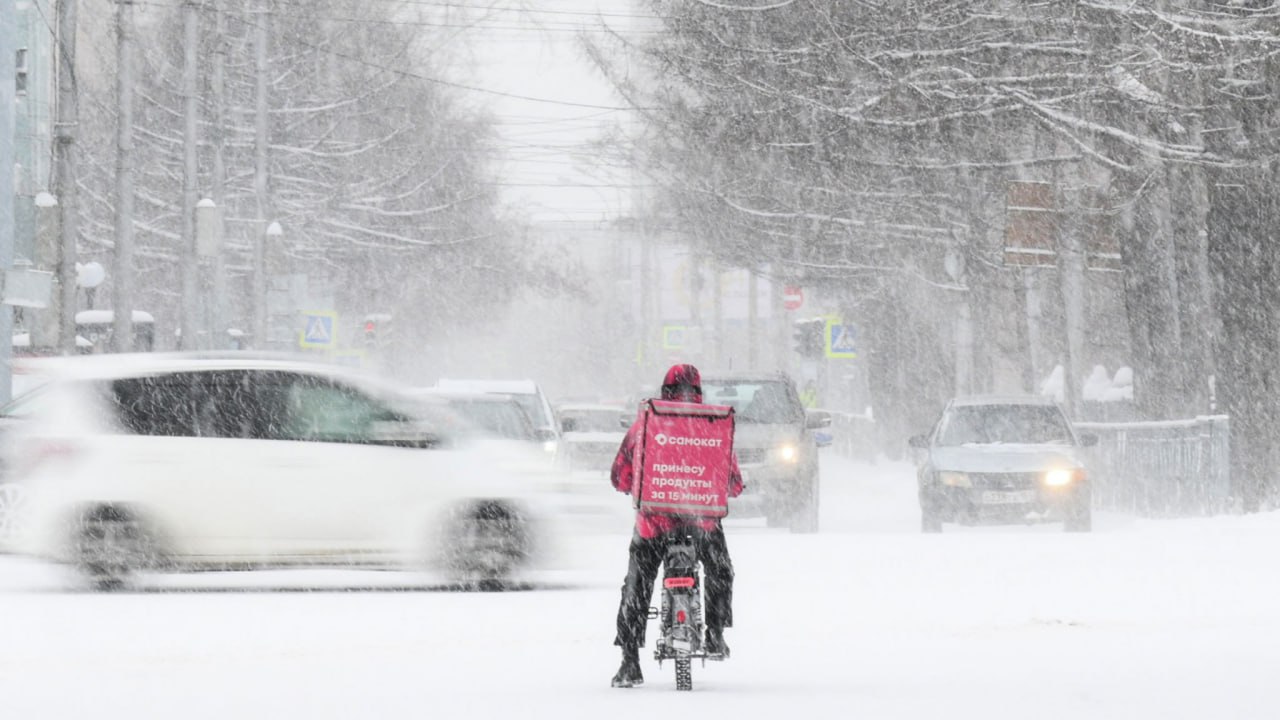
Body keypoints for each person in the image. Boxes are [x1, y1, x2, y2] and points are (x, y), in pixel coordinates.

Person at [609, 363, 744, 689]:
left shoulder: (646, 424)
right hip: (701, 525)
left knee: (636, 587)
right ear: (699, 392)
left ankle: (630, 662)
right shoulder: (713, 425)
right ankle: (714, 633)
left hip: (654, 524)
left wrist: (636, 486)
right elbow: (734, 482)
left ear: (664, 390)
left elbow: (619, 475)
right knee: (720, 571)